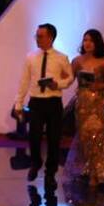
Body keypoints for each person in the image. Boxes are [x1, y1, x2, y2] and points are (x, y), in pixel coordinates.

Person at [13, 22, 74, 187]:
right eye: (37, 36)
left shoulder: (61, 57)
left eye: (40, 36)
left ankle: (50, 173)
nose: (37, 39)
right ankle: (35, 162)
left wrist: (58, 84)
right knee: (34, 136)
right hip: (36, 102)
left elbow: (69, 78)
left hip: (53, 102)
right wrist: (18, 103)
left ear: (50, 38)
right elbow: (24, 81)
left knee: (54, 139)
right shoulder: (31, 57)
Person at [64, 29, 104, 191]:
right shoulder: (77, 61)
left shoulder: (103, 62)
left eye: (91, 40)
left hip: (98, 103)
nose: (87, 43)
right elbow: (68, 79)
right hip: (82, 104)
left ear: (97, 43)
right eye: (85, 40)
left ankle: (96, 173)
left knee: (97, 136)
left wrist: (98, 85)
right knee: (84, 137)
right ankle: (87, 168)